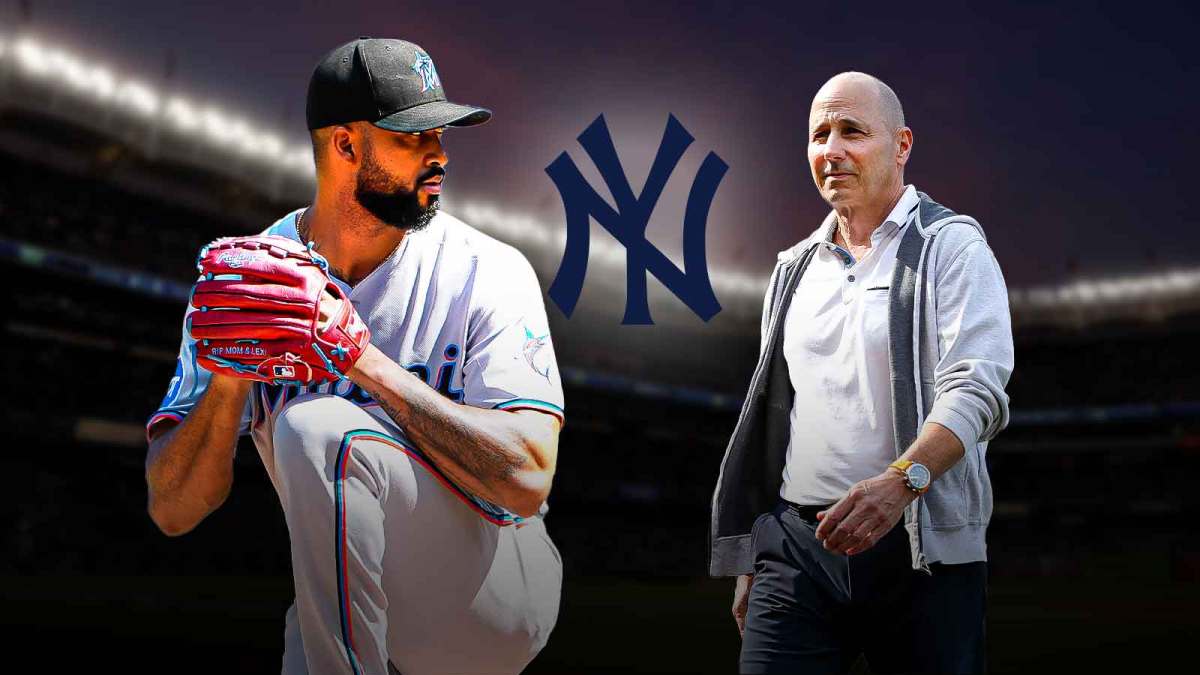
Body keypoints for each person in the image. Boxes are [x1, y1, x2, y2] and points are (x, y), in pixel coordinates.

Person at [144, 38, 564, 675]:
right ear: (345, 146)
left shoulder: (489, 271)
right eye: (413, 138)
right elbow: (173, 511)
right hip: (341, 600)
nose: (440, 156)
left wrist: (360, 358)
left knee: (319, 426)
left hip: (496, 582)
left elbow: (528, 478)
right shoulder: (253, 283)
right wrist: (229, 383)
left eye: (441, 136)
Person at [709, 72, 1014, 673]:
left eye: (852, 131)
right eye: (819, 134)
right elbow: (783, 415)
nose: (832, 150)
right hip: (797, 549)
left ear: (901, 145)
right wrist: (757, 551)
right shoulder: (791, 268)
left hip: (921, 549)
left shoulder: (952, 247)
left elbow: (978, 388)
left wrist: (902, 482)